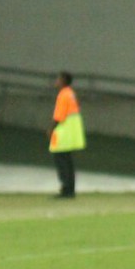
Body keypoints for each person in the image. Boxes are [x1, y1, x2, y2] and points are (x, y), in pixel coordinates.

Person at [49, 71, 86, 199]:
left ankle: (66, 189)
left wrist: (51, 129)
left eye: (58, 79)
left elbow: (59, 116)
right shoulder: (71, 94)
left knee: (61, 159)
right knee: (68, 161)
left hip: (64, 132)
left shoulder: (63, 95)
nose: (56, 81)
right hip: (72, 132)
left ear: (63, 80)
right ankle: (70, 189)